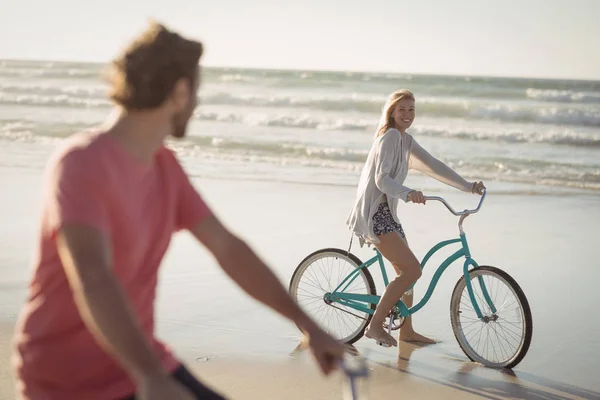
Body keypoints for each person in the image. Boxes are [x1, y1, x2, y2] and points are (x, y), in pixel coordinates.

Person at [11, 21, 345, 400]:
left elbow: (228, 248)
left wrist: (306, 323)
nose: (198, 104)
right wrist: (151, 378)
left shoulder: (164, 167)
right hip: (67, 379)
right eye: (197, 91)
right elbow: (93, 275)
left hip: (139, 360)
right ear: (180, 92)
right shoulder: (81, 164)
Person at [346, 89, 485, 348]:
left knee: (405, 274)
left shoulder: (405, 140)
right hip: (375, 213)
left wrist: (467, 186)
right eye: (402, 110)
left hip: (389, 213)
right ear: (392, 112)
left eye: (411, 110)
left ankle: (406, 332)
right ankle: (374, 326)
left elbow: (433, 165)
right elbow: (381, 179)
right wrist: (409, 194)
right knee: (412, 270)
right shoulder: (388, 137)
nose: (407, 115)